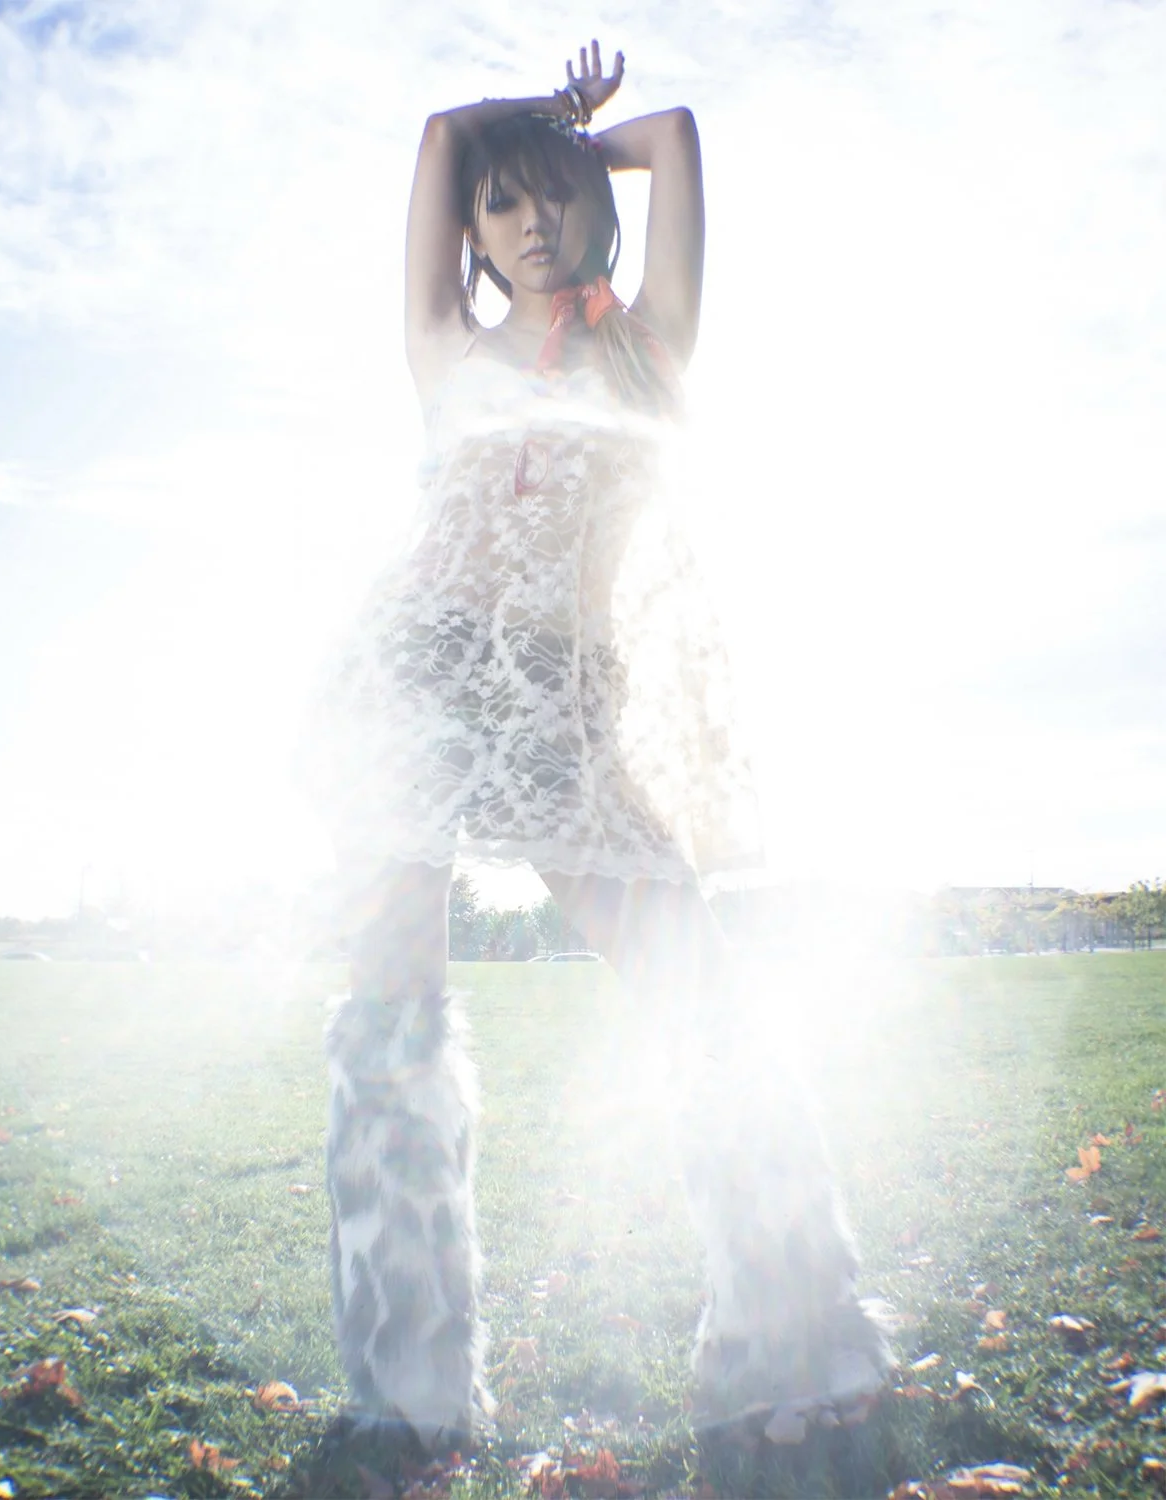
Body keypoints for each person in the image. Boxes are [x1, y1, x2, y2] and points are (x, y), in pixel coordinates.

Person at [314, 40, 892, 1453]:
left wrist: (582, 137)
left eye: (554, 198)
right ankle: (410, 1394)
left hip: (560, 699)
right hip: (414, 677)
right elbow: (446, 128)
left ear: (594, 208)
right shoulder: (443, 352)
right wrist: (529, 129)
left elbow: (681, 133)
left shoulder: (650, 344)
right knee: (392, 1016)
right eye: (502, 206)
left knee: (696, 988)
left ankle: (797, 1339)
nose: (527, 221)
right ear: (473, 233)